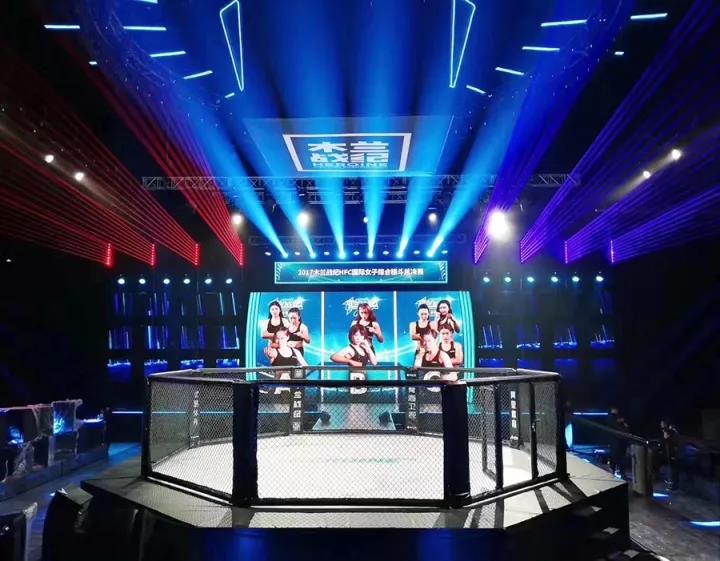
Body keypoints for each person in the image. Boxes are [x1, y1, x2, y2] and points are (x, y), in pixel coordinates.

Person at [660, 419, 679, 490]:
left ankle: (673, 485)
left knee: (672, 470)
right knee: (669, 470)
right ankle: (671, 484)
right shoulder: (668, 432)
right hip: (669, 454)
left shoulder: (673, 433)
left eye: (662, 423)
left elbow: (674, 444)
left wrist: (673, 455)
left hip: (672, 454)